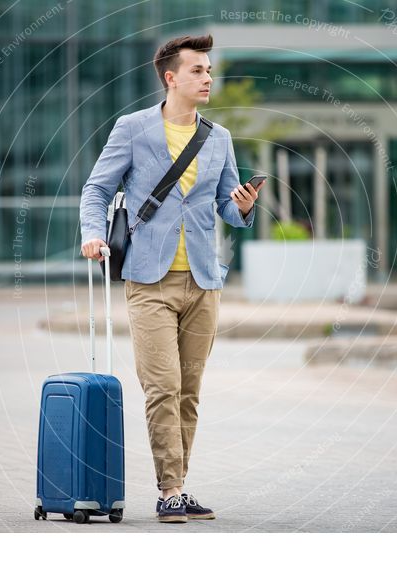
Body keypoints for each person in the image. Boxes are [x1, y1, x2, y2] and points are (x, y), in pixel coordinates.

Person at [79, 34, 264, 523]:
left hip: (204, 280)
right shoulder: (133, 129)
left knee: (189, 390)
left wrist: (242, 207)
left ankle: (177, 486)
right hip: (149, 282)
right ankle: (171, 490)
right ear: (171, 78)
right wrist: (93, 235)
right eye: (198, 70)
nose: (208, 77)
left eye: (208, 69)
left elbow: (225, 204)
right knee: (162, 385)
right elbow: (97, 189)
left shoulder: (218, 137)